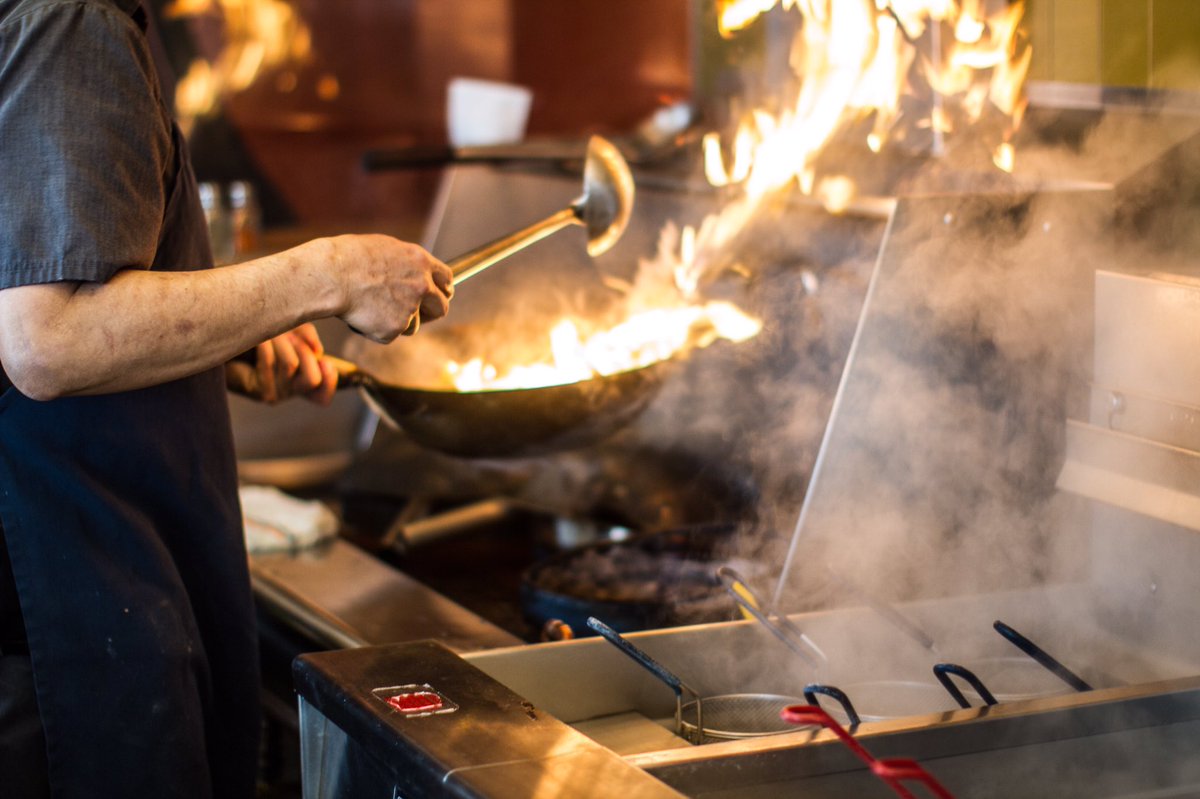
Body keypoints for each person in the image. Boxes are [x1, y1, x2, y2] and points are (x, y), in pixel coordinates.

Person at [0, 0, 454, 796]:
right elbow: (48, 338)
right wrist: (331, 274)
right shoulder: (76, 16)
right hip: (73, 621)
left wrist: (225, 338)